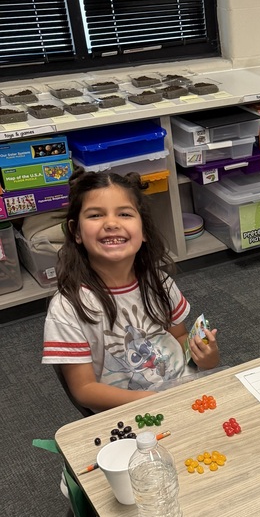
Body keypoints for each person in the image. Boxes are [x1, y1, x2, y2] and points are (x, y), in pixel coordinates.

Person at [43, 168, 220, 413]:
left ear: (144, 230)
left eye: (125, 214)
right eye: (95, 215)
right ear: (76, 232)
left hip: (186, 391)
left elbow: (179, 337)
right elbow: (84, 389)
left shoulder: (160, 282)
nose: (112, 223)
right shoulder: (67, 307)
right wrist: (151, 400)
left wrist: (205, 356)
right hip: (133, 410)